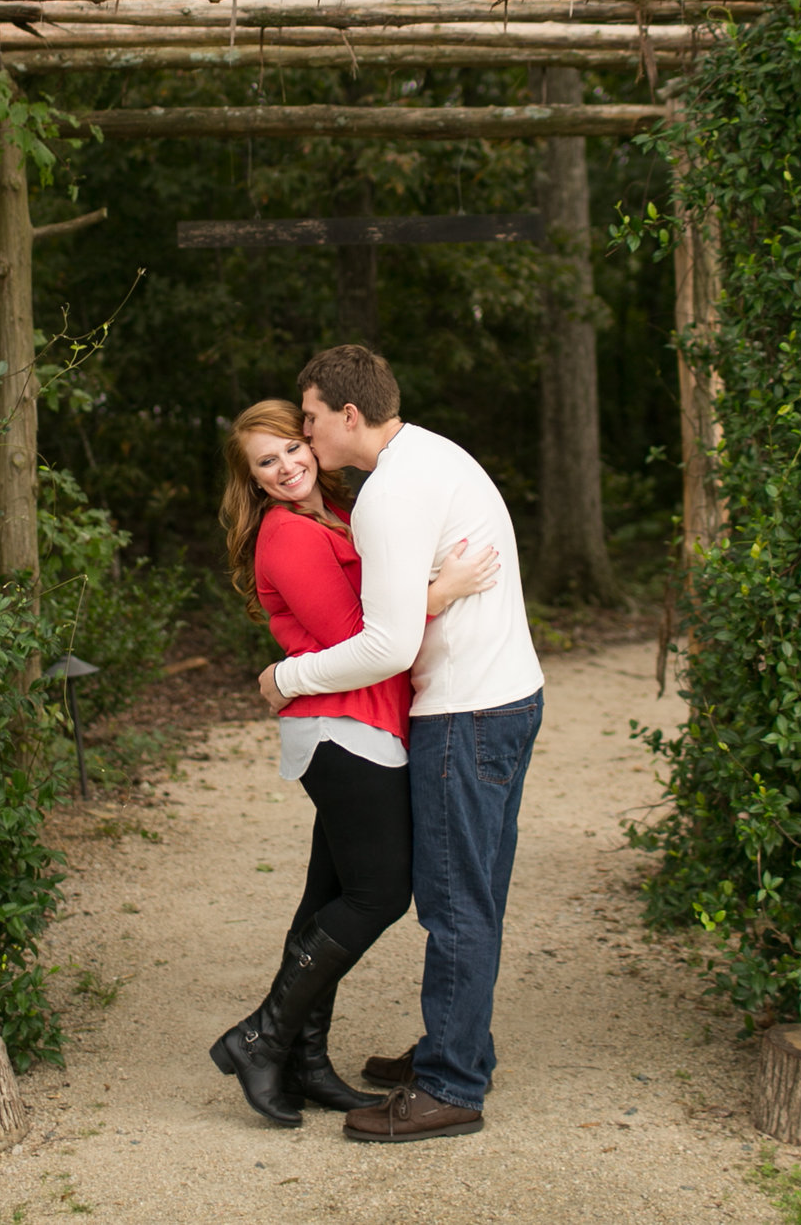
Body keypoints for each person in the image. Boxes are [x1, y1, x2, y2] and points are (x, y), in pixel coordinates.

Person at [258, 344, 544, 1143]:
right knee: (471, 892)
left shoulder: (388, 493)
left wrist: (287, 675)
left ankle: (450, 1084)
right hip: (505, 696)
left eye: (309, 420)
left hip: (465, 711)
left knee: (455, 902)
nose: (305, 438)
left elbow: (384, 644)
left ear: (348, 416)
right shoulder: (432, 454)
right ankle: (455, 1049)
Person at [208, 397, 501, 1126]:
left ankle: (303, 1060)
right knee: (379, 893)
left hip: (364, 727)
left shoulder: (333, 512)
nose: (285, 466)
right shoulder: (289, 537)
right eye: (265, 462)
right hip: (343, 732)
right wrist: (447, 590)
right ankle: (261, 1036)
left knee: (324, 897)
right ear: (250, 480)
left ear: (311, 439)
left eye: (289, 447)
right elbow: (361, 636)